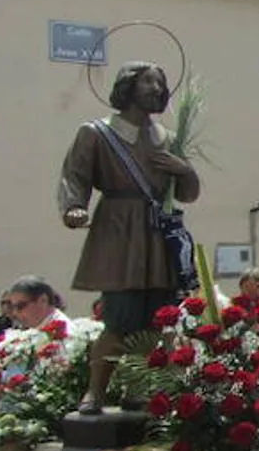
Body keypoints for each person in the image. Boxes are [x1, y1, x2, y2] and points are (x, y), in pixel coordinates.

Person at [58, 62, 201, 411]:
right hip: (120, 233)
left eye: (160, 82)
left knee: (157, 320)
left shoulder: (167, 139)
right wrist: (74, 207)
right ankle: (95, 391)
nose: (156, 88)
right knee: (120, 318)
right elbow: (74, 175)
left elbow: (188, 194)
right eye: (148, 81)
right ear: (128, 88)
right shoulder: (96, 133)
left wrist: (185, 170)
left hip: (158, 235)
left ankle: (140, 387)